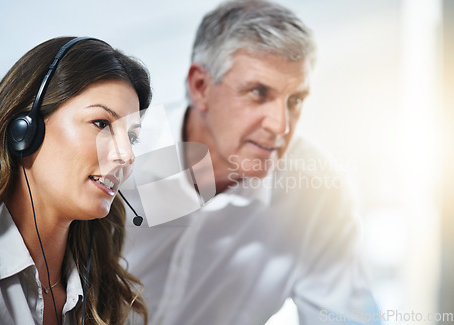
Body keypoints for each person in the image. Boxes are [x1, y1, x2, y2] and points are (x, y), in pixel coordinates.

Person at [122, 1, 380, 324]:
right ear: (200, 87)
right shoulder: (118, 160)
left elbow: (348, 317)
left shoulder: (316, 195)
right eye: (258, 92)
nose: (280, 126)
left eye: (295, 100)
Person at [0, 37, 151, 325]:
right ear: (25, 129)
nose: (127, 155)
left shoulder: (100, 285)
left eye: (132, 137)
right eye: (101, 123)